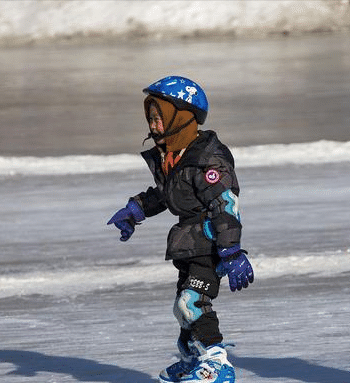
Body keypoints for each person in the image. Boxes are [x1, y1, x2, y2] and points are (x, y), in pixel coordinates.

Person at [107, 76, 254, 383]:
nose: (153, 122)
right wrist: (136, 209)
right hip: (188, 242)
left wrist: (231, 251)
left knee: (192, 303)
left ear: (182, 117)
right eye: (150, 117)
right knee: (183, 309)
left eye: (159, 116)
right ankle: (193, 360)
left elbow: (225, 204)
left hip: (210, 241)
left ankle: (217, 364)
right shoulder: (172, 156)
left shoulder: (207, 158)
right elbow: (168, 193)